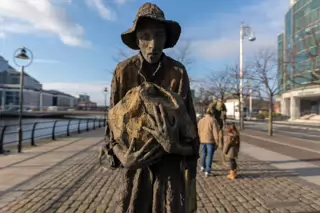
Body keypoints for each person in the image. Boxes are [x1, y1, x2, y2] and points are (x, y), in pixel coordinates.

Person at [106, 3, 199, 212]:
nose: (152, 45)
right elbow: (111, 132)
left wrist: (174, 146)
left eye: (159, 35)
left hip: (170, 177)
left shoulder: (178, 72)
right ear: (137, 39)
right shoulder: (123, 72)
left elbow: (192, 141)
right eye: (145, 36)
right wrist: (124, 157)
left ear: (166, 39)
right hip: (135, 175)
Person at [197, 104, 219, 177]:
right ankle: (208, 171)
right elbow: (215, 132)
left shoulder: (201, 120)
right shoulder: (213, 120)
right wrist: (217, 141)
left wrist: (200, 138)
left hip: (202, 140)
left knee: (204, 154)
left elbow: (199, 130)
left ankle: (203, 167)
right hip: (210, 141)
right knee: (210, 156)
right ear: (212, 113)